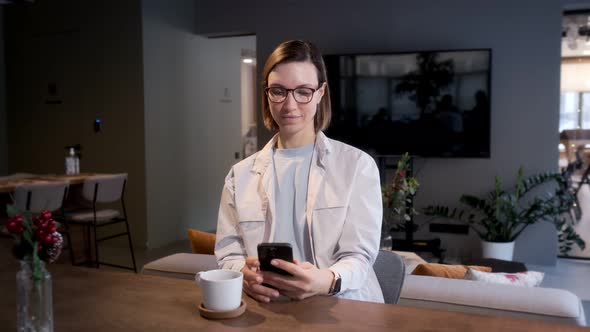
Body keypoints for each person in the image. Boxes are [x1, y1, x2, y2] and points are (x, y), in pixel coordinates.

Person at [215, 40, 384, 303]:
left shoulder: (357, 166)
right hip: (268, 307)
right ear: (267, 94)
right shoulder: (240, 175)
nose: (290, 105)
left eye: (304, 91)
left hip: (342, 306)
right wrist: (242, 273)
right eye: (279, 91)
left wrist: (324, 281)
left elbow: (359, 257)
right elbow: (229, 254)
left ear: (320, 93)